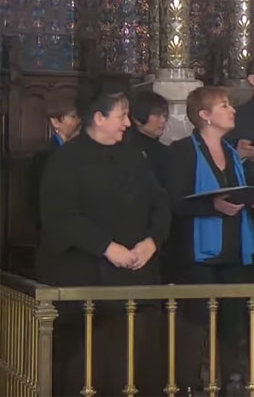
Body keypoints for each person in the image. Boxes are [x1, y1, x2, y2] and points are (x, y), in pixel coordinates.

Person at [36, 80, 168, 397]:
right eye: (121, 115)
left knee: (138, 367)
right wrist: (106, 247)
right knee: (89, 371)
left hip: (138, 280)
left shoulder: (134, 156)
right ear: (98, 118)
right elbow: (61, 217)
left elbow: (161, 204)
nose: (127, 123)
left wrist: (152, 241)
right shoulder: (67, 160)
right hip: (86, 282)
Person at [165, 86, 254, 393]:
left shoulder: (232, 153)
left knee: (233, 321)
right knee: (198, 324)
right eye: (224, 106)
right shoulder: (182, 150)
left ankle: (230, 379)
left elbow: (240, 192)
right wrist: (211, 205)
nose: (232, 110)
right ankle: (195, 381)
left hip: (234, 249)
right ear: (204, 115)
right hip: (198, 253)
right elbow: (175, 201)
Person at [28, 93, 80, 231]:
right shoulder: (44, 156)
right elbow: (38, 201)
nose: (78, 122)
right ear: (56, 121)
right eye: (73, 117)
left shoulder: (77, 151)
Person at [125, 89, 170, 184]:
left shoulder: (166, 151)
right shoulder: (127, 150)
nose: (163, 120)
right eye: (157, 115)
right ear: (137, 119)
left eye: (165, 115)